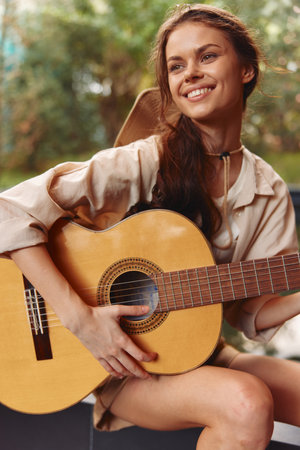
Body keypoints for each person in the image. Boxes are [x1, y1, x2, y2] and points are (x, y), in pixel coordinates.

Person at [0, 3, 300, 449]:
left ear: (247, 70)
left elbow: (252, 315)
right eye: (176, 66)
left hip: (200, 351)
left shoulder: (267, 190)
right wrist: (80, 318)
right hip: (120, 364)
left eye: (207, 56)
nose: (190, 73)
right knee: (244, 402)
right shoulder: (146, 159)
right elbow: (11, 212)